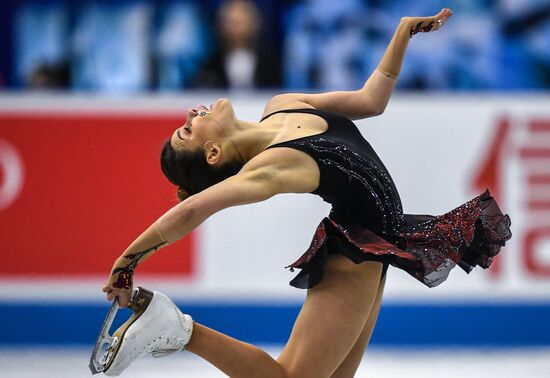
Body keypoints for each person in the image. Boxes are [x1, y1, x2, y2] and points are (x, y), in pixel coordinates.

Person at [102, 8, 511, 377]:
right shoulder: (271, 166)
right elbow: (192, 211)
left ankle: (175, 327)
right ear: (213, 152)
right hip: (357, 252)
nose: (192, 112)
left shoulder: (284, 104)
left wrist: (401, 34)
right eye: (188, 130)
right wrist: (127, 261)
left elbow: (371, 101)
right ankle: (177, 329)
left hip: (378, 245)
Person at [192, 0, 281, 90]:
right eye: (232, 22)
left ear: (254, 23)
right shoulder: (211, 66)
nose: (236, 28)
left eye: (241, 22)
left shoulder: (269, 63)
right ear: (221, 25)